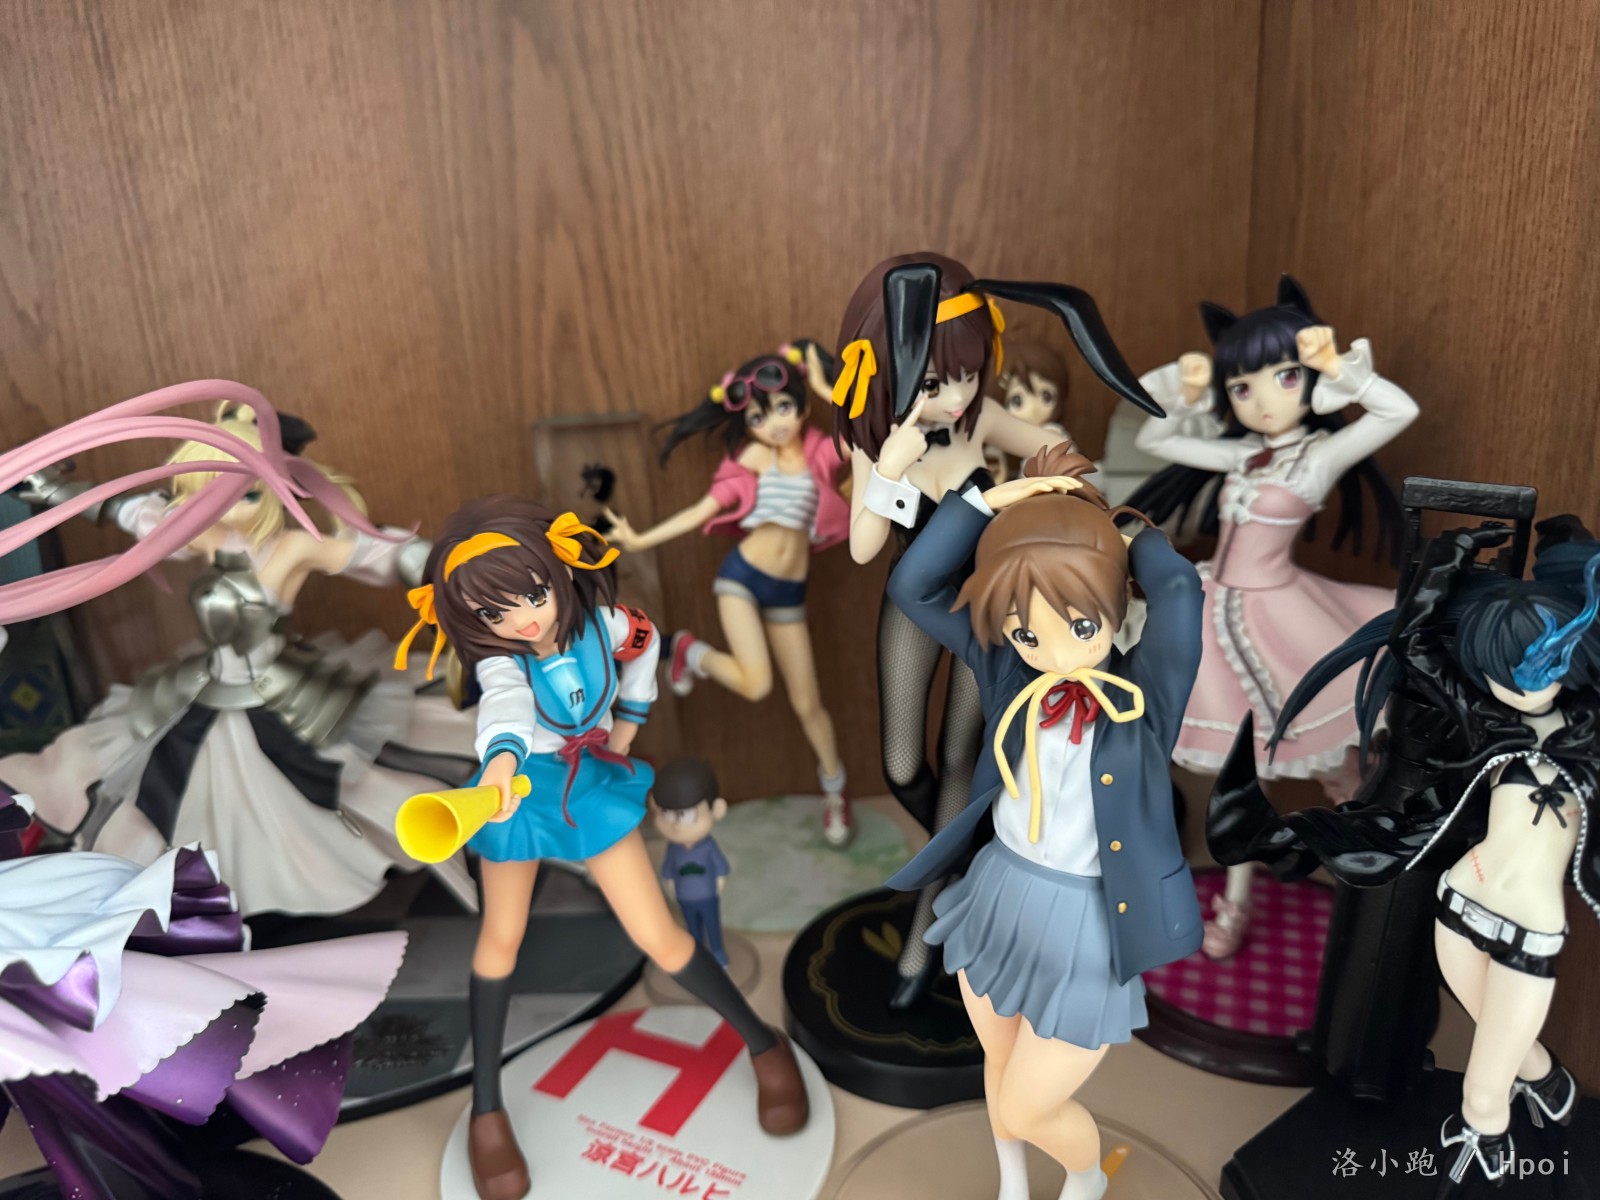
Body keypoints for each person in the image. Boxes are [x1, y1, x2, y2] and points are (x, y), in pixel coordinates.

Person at [402, 494, 808, 1200]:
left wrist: (631, 720)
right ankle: (487, 1111)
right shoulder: (502, 663)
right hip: (519, 789)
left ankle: (763, 1041)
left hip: (589, 783)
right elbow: (503, 707)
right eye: (495, 614)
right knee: (500, 939)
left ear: (560, 572)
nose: (523, 620)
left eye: (533, 595)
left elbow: (647, 643)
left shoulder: (606, 624)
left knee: (657, 934)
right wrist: (500, 764)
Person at [0, 384, 478, 917]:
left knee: (312, 785)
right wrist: (55, 491)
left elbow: (373, 552)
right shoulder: (203, 538)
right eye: (211, 494)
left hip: (279, 687)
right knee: (175, 780)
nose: (227, 508)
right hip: (207, 682)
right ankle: (212, 891)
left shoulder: (292, 547)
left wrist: (449, 569)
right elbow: (134, 512)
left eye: (246, 494)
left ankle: (301, 880)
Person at [831, 252, 1160, 1007]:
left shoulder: (979, 419)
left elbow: (1052, 437)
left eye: (970, 374)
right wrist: (889, 467)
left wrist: (1052, 483)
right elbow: (862, 548)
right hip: (914, 601)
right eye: (934, 382)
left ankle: (920, 948)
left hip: (990, 609)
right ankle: (970, 845)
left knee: (960, 760)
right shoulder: (875, 440)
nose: (955, 397)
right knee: (901, 766)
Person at [886, 444, 1203, 1200]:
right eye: (1030, 634)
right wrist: (991, 502)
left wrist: (1120, 535)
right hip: (1000, 892)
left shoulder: (1146, 694)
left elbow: (1181, 590)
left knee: (1030, 1104)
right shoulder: (1006, 671)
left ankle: (1085, 1180)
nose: (1056, 656)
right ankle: (1013, 1185)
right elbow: (912, 586)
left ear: (1114, 606)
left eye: (1081, 625)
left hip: (1091, 916)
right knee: (999, 1070)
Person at [1128, 276, 1417, 957]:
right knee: (1242, 770)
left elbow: (1397, 411)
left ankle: (1369, 879)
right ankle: (1238, 900)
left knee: (1331, 763)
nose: (1262, 401)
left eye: (1284, 378)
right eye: (1242, 387)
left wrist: (1339, 369)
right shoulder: (1244, 455)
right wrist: (1183, 386)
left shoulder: (1318, 457)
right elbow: (1152, 435)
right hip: (1215, 612)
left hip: (1282, 618)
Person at [605, 341, 854, 845]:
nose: (775, 423)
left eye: (784, 407)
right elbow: (702, 510)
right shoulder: (753, 459)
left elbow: (872, 438)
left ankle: (835, 793)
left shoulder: (820, 451)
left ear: (801, 404)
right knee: (757, 685)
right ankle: (688, 652)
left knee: (808, 702)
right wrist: (641, 539)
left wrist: (826, 388)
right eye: (760, 416)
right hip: (741, 578)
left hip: (789, 589)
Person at [652, 756, 731, 966]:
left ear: (717, 810)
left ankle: (718, 953)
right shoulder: (673, 849)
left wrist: (717, 885)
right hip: (684, 897)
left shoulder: (708, 847)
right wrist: (671, 887)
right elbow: (668, 872)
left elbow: (722, 869)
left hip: (707, 896)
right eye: (667, 814)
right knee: (692, 930)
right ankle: (698, 958)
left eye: (685, 815)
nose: (676, 826)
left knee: (712, 926)